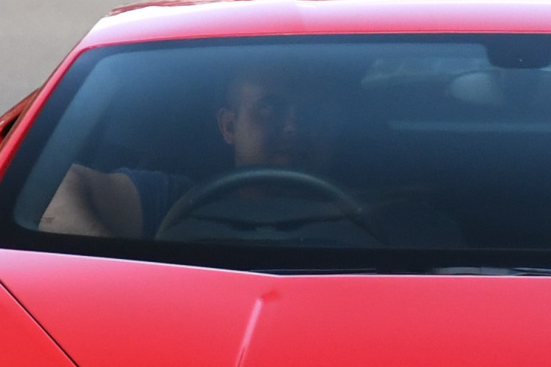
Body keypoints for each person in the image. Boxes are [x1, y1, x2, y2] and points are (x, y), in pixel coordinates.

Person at [39, 66, 335, 239]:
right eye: (271, 109)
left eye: (311, 114)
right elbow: (52, 188)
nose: (292, 128)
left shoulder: (376, 208)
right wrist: (115, 275)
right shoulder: (174, 201)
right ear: (229, 126)